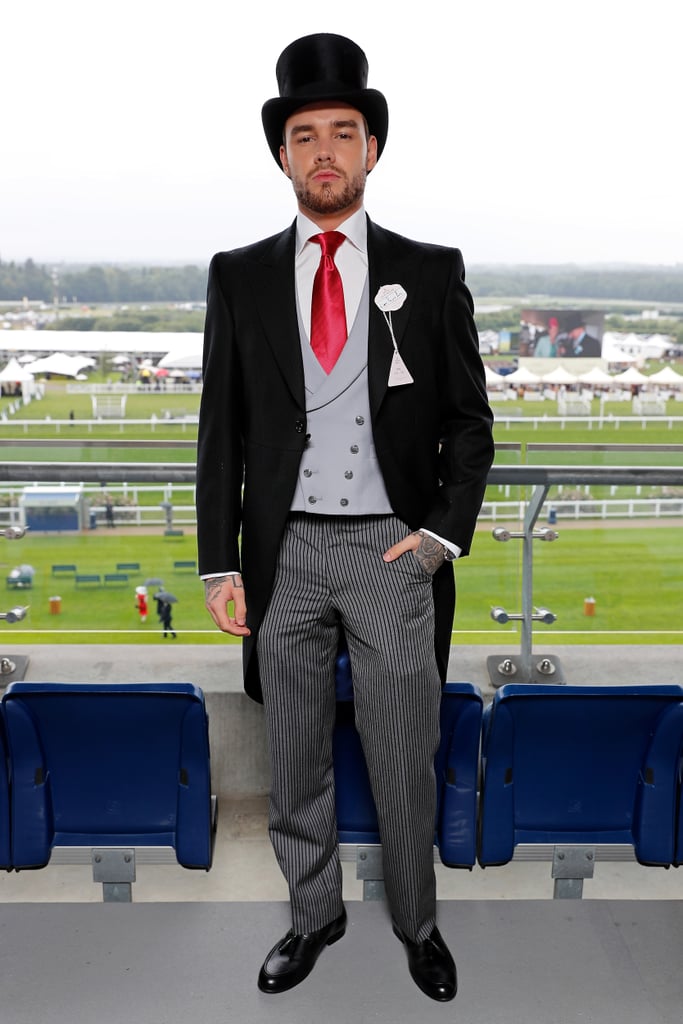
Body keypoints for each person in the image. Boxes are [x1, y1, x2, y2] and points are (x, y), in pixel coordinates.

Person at [196, 33, 494, 1003]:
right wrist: (218, 561)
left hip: (388, 545)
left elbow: (467, 425)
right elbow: (222, 434)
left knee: (404, 750)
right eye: (304, 136)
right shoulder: (237, 276)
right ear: (282, 153)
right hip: (280, 552)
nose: (324, 152)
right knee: (292, 752)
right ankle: (311, 912)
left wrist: (440, 533)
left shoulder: (431, 268)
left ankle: (416, 922)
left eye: (342, 133)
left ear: (370, 149)